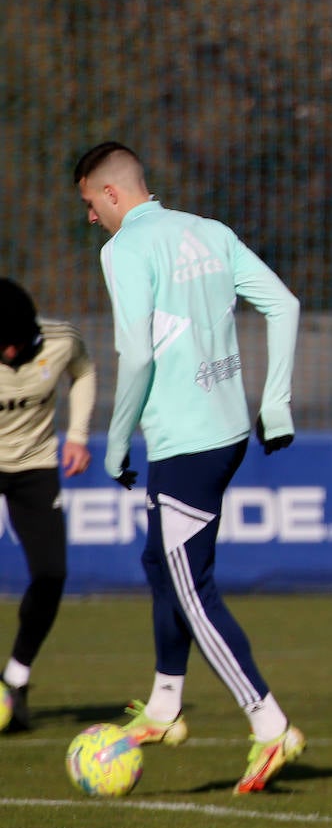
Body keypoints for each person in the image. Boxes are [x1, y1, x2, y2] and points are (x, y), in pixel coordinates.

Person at [73, 141, 306, 794]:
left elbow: (139, 357)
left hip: (184, 442)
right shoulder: (209, 232)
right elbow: (284, 305)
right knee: (161, 563)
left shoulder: (124, 250)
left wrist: (115, 441)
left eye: (90, 203)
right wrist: (277, 404)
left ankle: (270, 725)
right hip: (227, 430)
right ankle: (166, 704)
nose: (91, 217)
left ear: (110, 193)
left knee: (192, 588)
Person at [0, 278, 96, 733]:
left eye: (17, 344)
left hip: (35, 467)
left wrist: (76, 436)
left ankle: (16, 681)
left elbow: (83, 371)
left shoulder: (60, 340)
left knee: (52, 574)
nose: (12, 355)